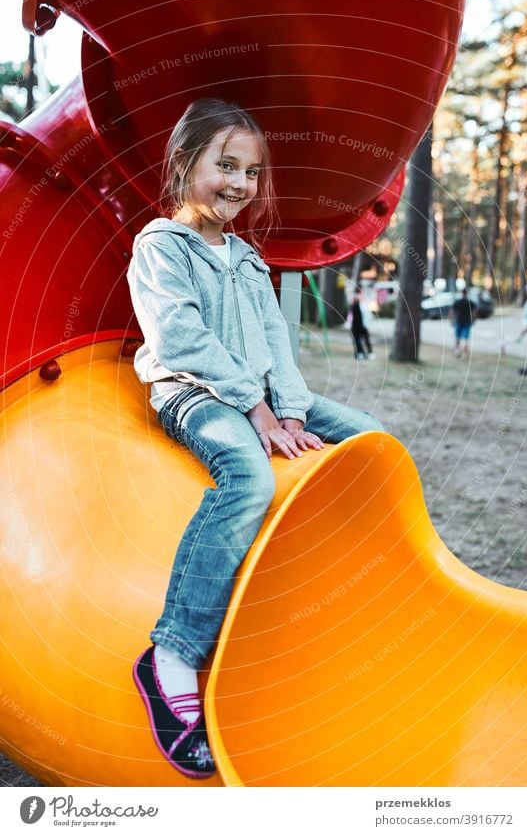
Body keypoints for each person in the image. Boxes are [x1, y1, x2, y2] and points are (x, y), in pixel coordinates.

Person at [126, 98, 384, 778]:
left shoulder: (245, 254)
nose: (239, 183)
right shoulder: (160, 246)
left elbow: (276, 341)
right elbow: (181, 339)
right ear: (187, 164)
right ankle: (173, 654)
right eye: (226, 165)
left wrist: (290, 410)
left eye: (251, 171)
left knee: (372, 442)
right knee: (249, 476)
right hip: (195, 393)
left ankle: (346, 595)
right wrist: (253, 409)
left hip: (265, 396)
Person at [450, 288, 477, 358]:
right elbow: (474, 313)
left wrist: (452, 320)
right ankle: (465, 354)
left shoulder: (457, 302)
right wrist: (473, 320)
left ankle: (457, 352)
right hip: (467, 322)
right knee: (465, 338)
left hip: (458, 321)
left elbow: (452, 312)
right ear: (467, 293)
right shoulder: (470, 302)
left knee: (457, 337)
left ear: (462, 293)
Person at [349, 289, 374, 359]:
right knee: (359, 340)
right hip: (357, 326)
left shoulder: (363, 305)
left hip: (361, 326)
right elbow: (350, 317)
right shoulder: (357, 305)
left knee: (363, 340)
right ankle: (361, 353)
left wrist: (365, 325)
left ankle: (367, 353)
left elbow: (368, 316)